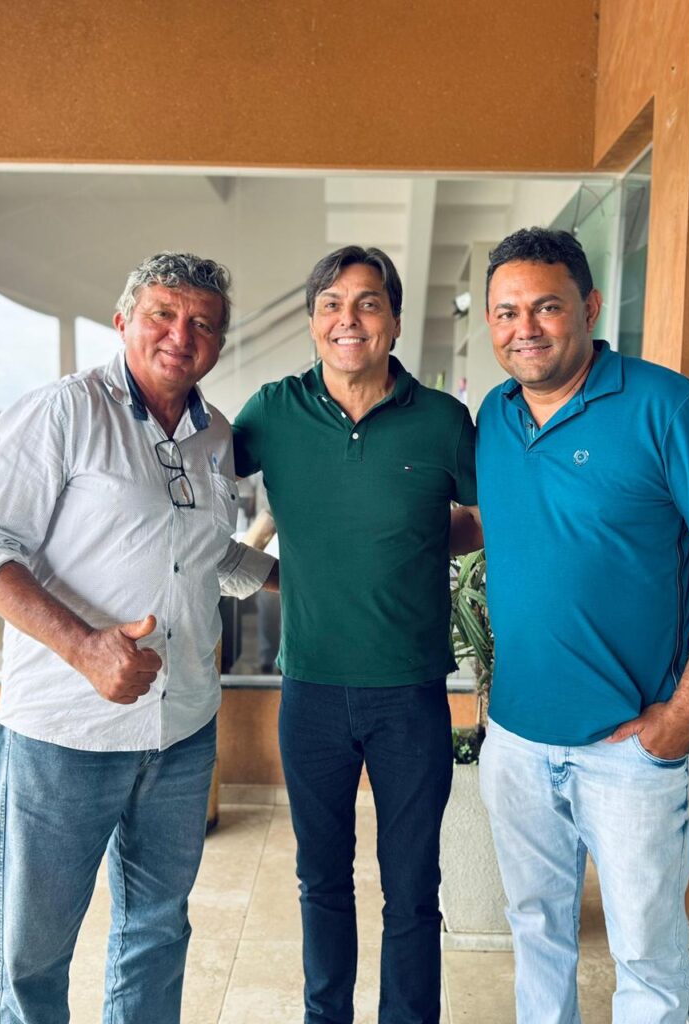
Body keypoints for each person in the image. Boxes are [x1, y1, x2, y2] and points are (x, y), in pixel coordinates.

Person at [0, 252, 277, 1024]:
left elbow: (209, 557)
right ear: (123, 321)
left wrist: (298, 579)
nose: (182, 334)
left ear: (219, 342)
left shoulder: (217, 436)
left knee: (155, 934)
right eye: (163, 315)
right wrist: (85, 647)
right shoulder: (61, 412)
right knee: (31, 956)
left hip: (182, 733)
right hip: (64, 738)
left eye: (203, 323)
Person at [468, 227, 689, 1023]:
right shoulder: (495, 415)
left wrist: (683, 716)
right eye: (507, 312)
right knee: (537, 934)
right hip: (516, 740)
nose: (525, 328)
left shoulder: (666, 406)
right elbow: (504, 525)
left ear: (590, 307)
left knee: (647, 958)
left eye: (547, 307)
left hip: (630, 748)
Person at [232, 245, 478, 1024]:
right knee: (322, 882)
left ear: (395, 321)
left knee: (413, 888)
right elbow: (192, 495)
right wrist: (270, 573)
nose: (350, 319)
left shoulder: (442, 421)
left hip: (410, 694)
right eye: (332, 304)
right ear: (313, 323)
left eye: (369, 303)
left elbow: (487, 516)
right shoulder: (273, 411)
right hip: (310, 691)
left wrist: (416, 541)